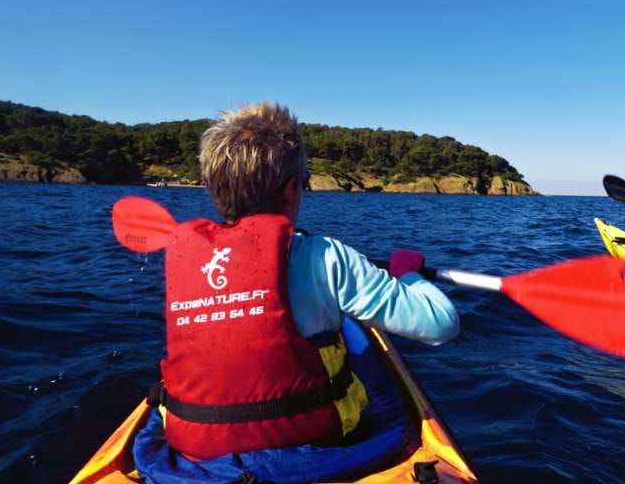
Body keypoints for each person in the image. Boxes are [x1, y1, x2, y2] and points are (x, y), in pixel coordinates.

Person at [156, 102, 459, 460]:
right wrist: (408, 274)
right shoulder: (325, 256)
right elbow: (441, 324)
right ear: (291, 189)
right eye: (304, 183)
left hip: (194, 447)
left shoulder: (186, 257)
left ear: (212, 187)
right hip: (315, 444)